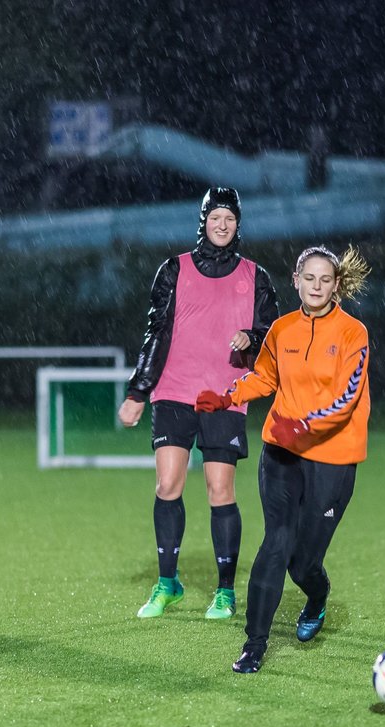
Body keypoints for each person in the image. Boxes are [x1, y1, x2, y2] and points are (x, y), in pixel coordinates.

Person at [197, 245, 371, 673]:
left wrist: (306, 425)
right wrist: (227, 396)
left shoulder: (353, 333)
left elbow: (346, 399)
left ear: (337, 285)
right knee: (276, 543)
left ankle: (317, 595)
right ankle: (253, 644)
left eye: (325, 279)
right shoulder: (280, 329)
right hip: (281, 452)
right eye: (308, 278)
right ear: (296, 280)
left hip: (331, 459)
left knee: (303, 562)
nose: (316, 286)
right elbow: (265, 376)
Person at [118, 187, 278, 620]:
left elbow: (272, 341)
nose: (222, 225)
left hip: (224, 397)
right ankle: (167, 583)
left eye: (229, 218)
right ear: (203, 221)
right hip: (173, 391)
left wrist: (253, 339)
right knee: (167, 485)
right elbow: (156, 333)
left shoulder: (256, 277)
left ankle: (225, 591)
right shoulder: (173, 270)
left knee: (219, 490)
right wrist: (139, 390)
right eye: (215, 217)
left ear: (238, 223)